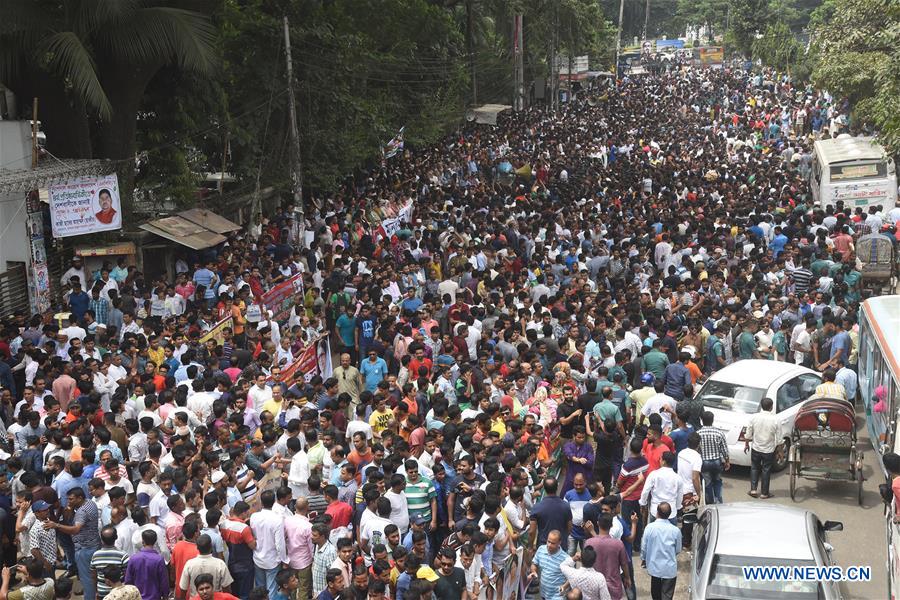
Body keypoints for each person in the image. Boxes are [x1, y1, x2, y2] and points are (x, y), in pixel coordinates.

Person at [249, 490, 286, 597]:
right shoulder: (277, 519)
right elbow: (280, 544)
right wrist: (283, 559)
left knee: (260, 591)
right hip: (272, 560)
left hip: (258, 558)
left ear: (261, 502)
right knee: (271, 591)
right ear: (274, 501)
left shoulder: (254, 517)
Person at [640, 503, 681, 600]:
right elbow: (678, 549)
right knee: (667, 596)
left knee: (656, 594)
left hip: (654, 568)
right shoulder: (675, 530)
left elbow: (644, 547)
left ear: (657, 513)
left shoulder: (649, 528)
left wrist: (643, 558)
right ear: (670, 514)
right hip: (669, 568)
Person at [745, 397, 781, 499]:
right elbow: (779, 439)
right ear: (771, 407)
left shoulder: (754, 417)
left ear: (761, 406)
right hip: (769, 450)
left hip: (756, 447)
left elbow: (748, 433)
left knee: (754, 468)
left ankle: (753, 490)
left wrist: (747, 444)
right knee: (766, 470)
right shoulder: (776, 419)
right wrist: (779, 452)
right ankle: (764, 493)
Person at [529, 478, 573, 552]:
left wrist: (530, 547)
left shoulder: (537, 507)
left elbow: (532, 531)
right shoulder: (566, 506)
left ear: (544, 488)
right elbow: (569, 528)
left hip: (543, 547)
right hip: (561, 547)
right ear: (557, 487)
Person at [125, 529, 170, 600]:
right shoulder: (159, 559)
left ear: (143, 542)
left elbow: (128, 581)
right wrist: (165, 596)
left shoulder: (133, 558)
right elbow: (164, 582)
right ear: (155, 541)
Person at [697, 411, 730, 504]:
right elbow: (724, 450)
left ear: (702, 420)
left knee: (707, 484)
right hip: (716, 461)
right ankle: (719, 501)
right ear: (712, 420)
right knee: (717, 482)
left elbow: (696, 449)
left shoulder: (698, 433)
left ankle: (710, 503)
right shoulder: (719, 433)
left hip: (704, 462)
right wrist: (727, 461)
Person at [531, 530, 568, 600]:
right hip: (543, 594)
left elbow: (572, 577)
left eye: (553, 543)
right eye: (548, 541)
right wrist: (534, 571)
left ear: (559, 543)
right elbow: (534, 563)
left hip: (557, 596)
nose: (549, 545)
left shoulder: (565, 559)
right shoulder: (541, 549)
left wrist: (564, 587)